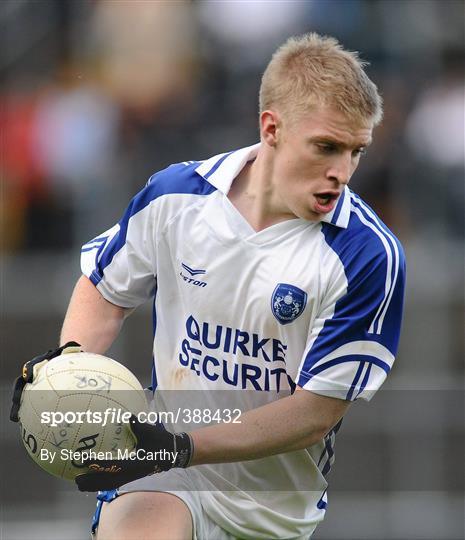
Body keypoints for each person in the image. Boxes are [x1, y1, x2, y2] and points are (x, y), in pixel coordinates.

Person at [36, 33, 407, 539]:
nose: (341, 171)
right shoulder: (175, 196)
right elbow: (104, 289)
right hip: (164, 477)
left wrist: (183, 443)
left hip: (273, 512)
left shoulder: (366, 255)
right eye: (326, 147)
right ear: (271, 128)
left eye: (356, 151)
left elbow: (313, 414)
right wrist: (65, 373)